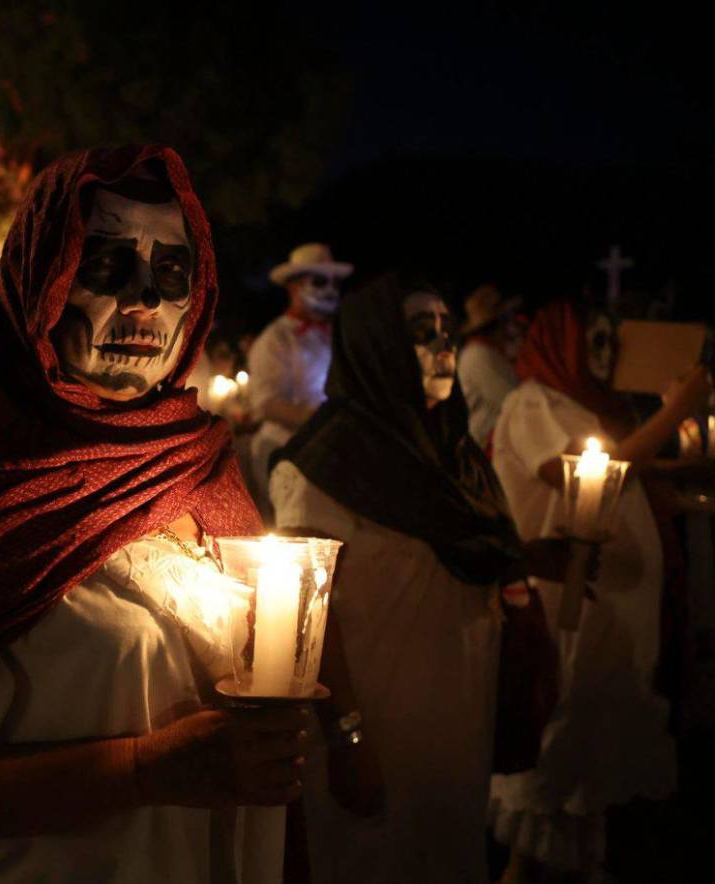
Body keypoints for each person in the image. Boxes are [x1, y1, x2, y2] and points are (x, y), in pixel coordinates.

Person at [0, 145, 315, 884]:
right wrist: (144, 770)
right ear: (43, 279)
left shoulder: (199, 462)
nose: (144, 302)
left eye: (170, 274)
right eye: (105, 266)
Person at [269, 272, 565, 884]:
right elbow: (306, 612)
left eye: (446, 331)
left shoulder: (448, 449)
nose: (442, 348)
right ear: (376, 344)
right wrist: (348, 735)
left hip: (456, 713)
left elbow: (444, 549)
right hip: (378, 719)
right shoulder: (326, 460)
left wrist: (528, 556)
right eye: (420, 333)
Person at [488, 301, 711, 882]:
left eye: (609, 344)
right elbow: (585, 473)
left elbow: (631, 476)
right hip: (570, 612)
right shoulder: (531, 401)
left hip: (608, 619)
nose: (604, 357)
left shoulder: (584, 406)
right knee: (550, 787)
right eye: (592, 343)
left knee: (588, 786)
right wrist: (675, 413)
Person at [248, 243, 352, 520]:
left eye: (334, 282)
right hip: (283, 451)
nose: (330, 289)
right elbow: (266, 404)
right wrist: (324, 420)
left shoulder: (333, 335)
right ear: (293, 287)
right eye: (320, 281)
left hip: (328, 451)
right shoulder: (274, 340)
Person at [457, 283, 521, 451]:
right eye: (507, 319)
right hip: (485, 445)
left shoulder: (491, 352)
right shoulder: (478, 355)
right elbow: (512, 400)